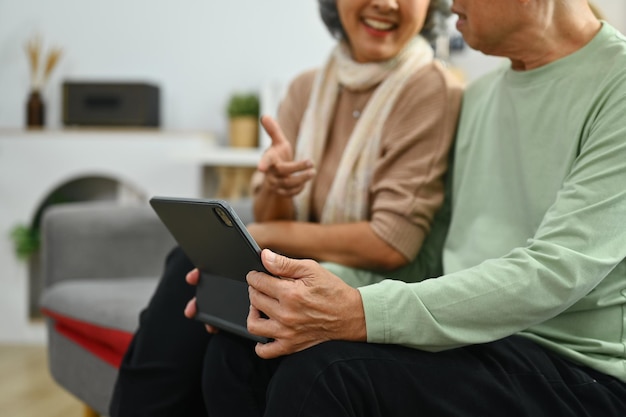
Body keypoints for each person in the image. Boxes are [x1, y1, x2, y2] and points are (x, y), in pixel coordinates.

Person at [192, 0, 626, 415]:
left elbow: (553, 273)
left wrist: (357, 312)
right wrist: (283, 294)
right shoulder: (478, 98)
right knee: (241, 350)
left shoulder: (616, 85)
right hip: (474, 339)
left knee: (325, 374)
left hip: (574, 366)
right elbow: (425, 263)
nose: (447, 2)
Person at [109, 0, 463, 415]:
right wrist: (276, 186)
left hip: (376, 284)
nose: (385, 3)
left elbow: (391, 244)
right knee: (198, 282)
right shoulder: (306, 89)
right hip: (301, 265)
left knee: (197, 277)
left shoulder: (431, 89)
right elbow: (274, 215)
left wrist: (267, 235)